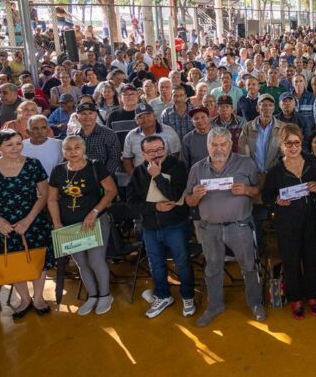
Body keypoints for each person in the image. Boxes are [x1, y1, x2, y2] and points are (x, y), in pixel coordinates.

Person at [184, 129, 265, 325]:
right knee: (212, 269)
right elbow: (189, 200)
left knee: (249, 266)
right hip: (209, 228)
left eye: (223, 144)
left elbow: (258, 192)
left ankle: (255, 303)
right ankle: (214, 306)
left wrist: (246, 190)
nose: (218, 149)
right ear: (207, 145)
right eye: (214, 144)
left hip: (240, 225)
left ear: (230, 145)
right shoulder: (197, 168)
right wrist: (195, 195)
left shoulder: (246, 163)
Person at [0, 129, 53, 318]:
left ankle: (38, 298)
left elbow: (44, 195)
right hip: (3, 226)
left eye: (19, 143)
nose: (15, 148)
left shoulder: (33, 165)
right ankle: (25, 299)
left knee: (38, 260)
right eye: (9, 144)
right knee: (12, 261)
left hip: (32, 222)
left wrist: (28, 220)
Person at [47, 136, 118, 316]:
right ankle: (92, 295)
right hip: (70, 225)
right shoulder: (58, 171)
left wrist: (94, 212)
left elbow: (111, 191)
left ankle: (105, 295)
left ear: (84, 148)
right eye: (68, 149)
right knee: (81, 262)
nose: (73, 152)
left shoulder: (95, 166)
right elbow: (52, 199)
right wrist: (56, 223)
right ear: (63, 151)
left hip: (95, 222)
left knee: (96, 260)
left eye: (77, 147)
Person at [126, 135, 195, 319]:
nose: (156, 155)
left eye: (160, 149)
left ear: (166, 148)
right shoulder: (139, 172)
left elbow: (174, 195)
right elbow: (132, 203)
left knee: (182, 262)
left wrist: (157, 177)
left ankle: (188, 296)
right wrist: (153, 207)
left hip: (175, 225)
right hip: (150, 226)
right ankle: (163, 295)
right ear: (143, 154)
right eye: (151, 152)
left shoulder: (178, 166)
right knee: (156, 264)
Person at [263, 124, 316, 320]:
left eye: (296, 142)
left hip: (312, 220)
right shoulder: (276, 171)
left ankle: (313, 296)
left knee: (313, 259)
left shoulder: (313, 163)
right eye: (288, 143)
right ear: (282, 145)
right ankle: (295, 298)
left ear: (301, 142)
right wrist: (276, 201)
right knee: (291, 260)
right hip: (287, 223)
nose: (293, 147)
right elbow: (266, 197)